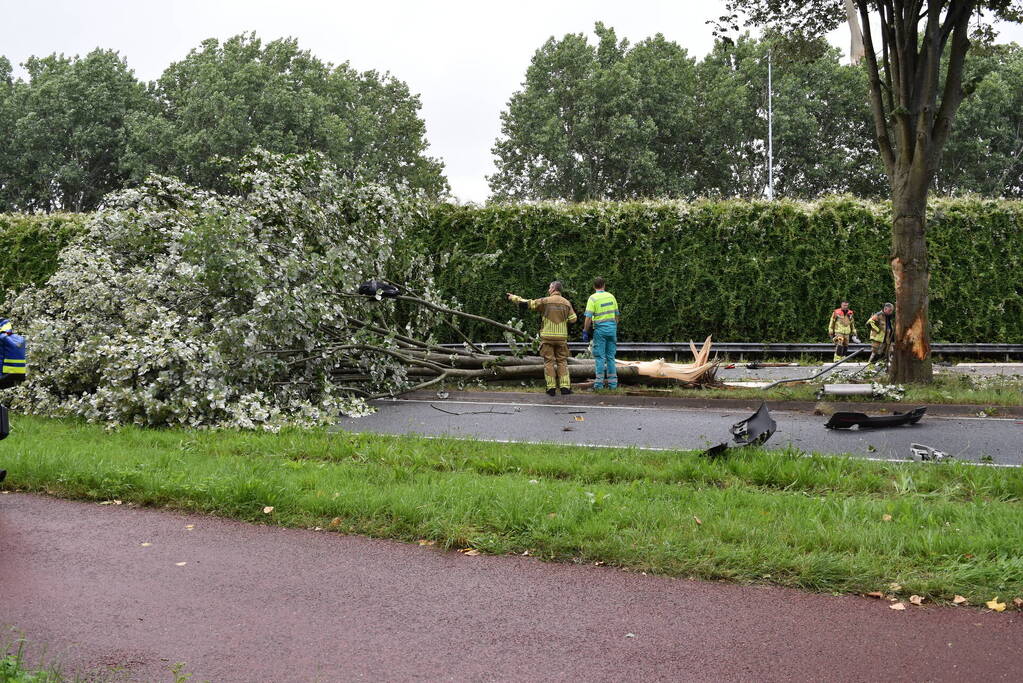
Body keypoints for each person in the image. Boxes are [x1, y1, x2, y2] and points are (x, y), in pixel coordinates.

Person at [507, 282, 577, 396]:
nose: (548, 290)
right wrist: (563, 319)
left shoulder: (545, 301)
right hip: (561, 338)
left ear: (553, 288)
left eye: (549, 288)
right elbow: (573, 319)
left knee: (549, 362)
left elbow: (528, 304)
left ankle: (551, 388)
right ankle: (565, 388)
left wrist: (514, 298)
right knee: (562, 361)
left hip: (547, 337)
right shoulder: (566, 303)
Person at [582, 276, 620, 390]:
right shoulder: (611, 297)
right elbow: (617, 315)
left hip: (600, 331)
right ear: (604, 285)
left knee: (600, 358)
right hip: (612, 330)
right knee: (611, 357)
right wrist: (613, 327)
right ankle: (613, 385)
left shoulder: (593, 298)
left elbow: (588, 317)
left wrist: (585, 330)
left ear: (594, 286)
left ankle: (599, 385)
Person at [866, 302, 895, 368]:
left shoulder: (889, 317)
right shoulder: (878, 315)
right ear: (885, 309)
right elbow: (869, 323)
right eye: (890, 310)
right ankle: (870, 367)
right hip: (878, 338)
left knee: (887, 353)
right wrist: (877, 330)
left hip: (887, 338)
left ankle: (885, 367)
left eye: (892, 310)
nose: (891, 312)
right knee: (875, 353)